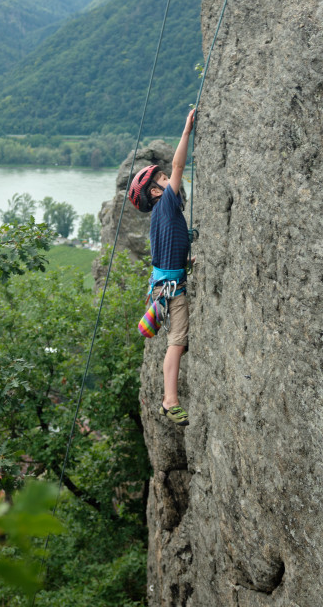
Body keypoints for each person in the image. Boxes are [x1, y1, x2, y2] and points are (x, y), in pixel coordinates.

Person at [129, 108, 195, 427]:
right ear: (156, 192)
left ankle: (169, 398)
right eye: (163, 180)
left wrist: (187, 262)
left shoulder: (161, 217)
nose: (169, 180)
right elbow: (180, 164)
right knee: (177, 341)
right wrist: (186, 132)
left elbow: (170, 250)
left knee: (177, 342)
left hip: (162, 285)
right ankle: (170, 400)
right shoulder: (167, 204)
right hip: (171, 290)